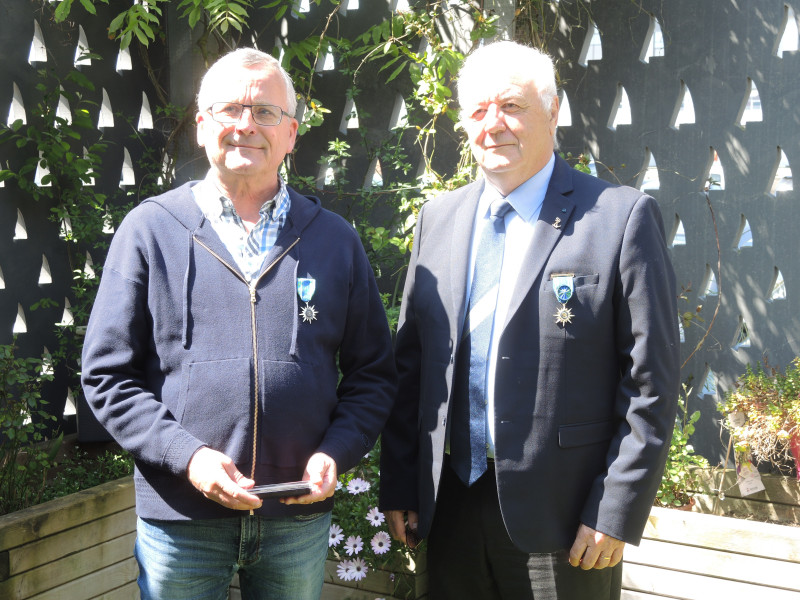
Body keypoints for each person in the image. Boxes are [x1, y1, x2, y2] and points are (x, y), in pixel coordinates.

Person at [81, 48, 396, 600]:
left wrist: (336, 451)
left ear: (291, 133)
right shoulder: (150, 230)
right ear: (202, 126)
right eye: (230, 109)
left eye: (266, 112)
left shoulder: (334, 240)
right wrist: (189, 458)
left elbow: (373, 374)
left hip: (295, 518)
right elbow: (107, 376)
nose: (246, 125)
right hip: (180, 518)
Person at [378, 40, 679, 599]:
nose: (493, 124)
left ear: (554, 111)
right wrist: (400, 482)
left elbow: (649, 381)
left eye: (512, 105)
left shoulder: (618, 217)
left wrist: (615, 508)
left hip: (563, 522)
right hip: (450, 510)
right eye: (477, 110)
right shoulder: (436, 220)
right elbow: (410, 367)